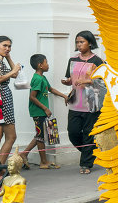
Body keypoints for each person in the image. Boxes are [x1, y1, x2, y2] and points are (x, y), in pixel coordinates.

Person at [61, 30, 106, 175]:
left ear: (90, 43)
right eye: (77, 42)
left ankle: (85, 163)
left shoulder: (98, 61)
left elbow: (103, 81)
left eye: (82, 42)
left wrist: (88, 80)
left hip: (91, 104)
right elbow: (70, 79)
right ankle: (91, 152)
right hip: (75, 103)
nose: (79, 45)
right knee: (73, 132)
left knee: (88, 133)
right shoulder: (72, 60)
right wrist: (67, 82)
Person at [21, 53, 68, 168]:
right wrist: (45, 108)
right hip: (38, 111)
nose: (48, 65)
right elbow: (32, 97)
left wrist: (64, 96)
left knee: (40, 135)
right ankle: (43, 162)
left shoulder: (43, 77)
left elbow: (51, 89)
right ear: (40, 65)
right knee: (40, 136)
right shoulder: (37, 79)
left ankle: (24, 154)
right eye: (46, 62)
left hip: (41, 111)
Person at [0, 36, 22, 164]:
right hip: (1, 98)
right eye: (4, 45)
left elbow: (15, 74)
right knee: (8, 136)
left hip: (3, 97)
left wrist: (8, 57)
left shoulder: (0, 59)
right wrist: (13, 70)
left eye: (9, 46)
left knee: (3, 136)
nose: (7, 48)